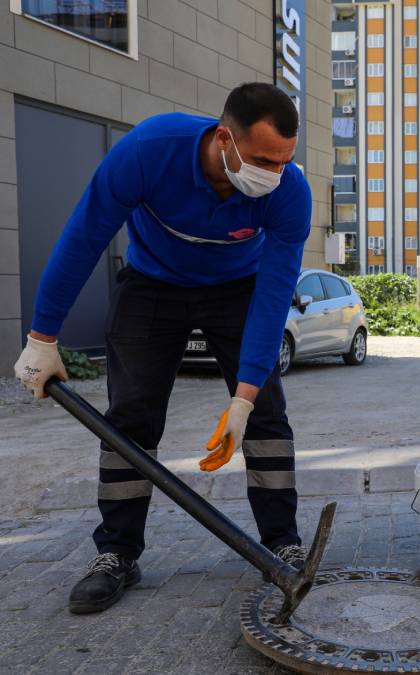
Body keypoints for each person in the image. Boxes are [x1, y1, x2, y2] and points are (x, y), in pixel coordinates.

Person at [12, 83, 313, 614]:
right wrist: (42, 338)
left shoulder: (289, 191)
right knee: (131, 415)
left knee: (266, 413)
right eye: (264, 161)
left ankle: (282, 546)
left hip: (237, 289)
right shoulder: (149, 150)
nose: (275, 173)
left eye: (284, 161)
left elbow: (273, 295)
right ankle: (116, 554)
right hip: (152, 284)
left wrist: (243, 398)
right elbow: (84, 238)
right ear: (225, 139)